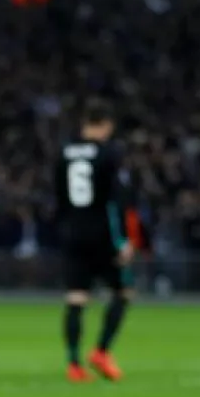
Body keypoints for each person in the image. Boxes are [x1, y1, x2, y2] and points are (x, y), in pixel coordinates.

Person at [56, 100, 132, 382]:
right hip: (102, 234)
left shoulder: (63, 153)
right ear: (105, 125)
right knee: (123, 292)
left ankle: (74, 365)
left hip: (73, 233)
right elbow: (115, 202)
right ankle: (101, 351)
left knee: (76, 297)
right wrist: (122, 241)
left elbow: (59, 198)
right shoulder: (109, 153)